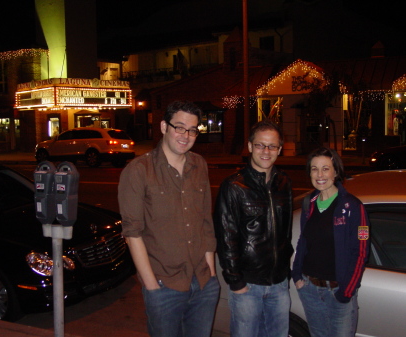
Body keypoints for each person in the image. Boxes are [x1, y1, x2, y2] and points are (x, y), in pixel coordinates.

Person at [118, 100, 219, 337]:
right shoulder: (138, 170)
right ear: (164, 127)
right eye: (179, 127)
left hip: (203, 281)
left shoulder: (199, 165)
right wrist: (152, 287)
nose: (186, 135)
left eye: (193, 130)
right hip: (164, 286)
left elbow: (206, 222)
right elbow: (133, 234)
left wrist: (212, 274)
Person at [214, 119, 293, 337]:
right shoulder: (234, 186)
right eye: (260, 145)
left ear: (279, 149)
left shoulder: (284, 182)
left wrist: (286, 270)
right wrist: (236, 281)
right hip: (248, 285)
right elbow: (226, 237)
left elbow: (286, 231)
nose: (266, 151)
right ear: (250, 147)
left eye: (272, 146)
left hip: (279, 283)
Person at [292, 147, 370, 337]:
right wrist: (297, 276)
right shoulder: (309, 203)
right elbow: (303, 240)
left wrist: (346, 291)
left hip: (338, 293)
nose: (319, 175)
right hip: (309, 289)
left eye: (325, 168)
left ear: (336, 171)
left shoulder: (352, 206)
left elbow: (361, 251)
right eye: (314, 169)